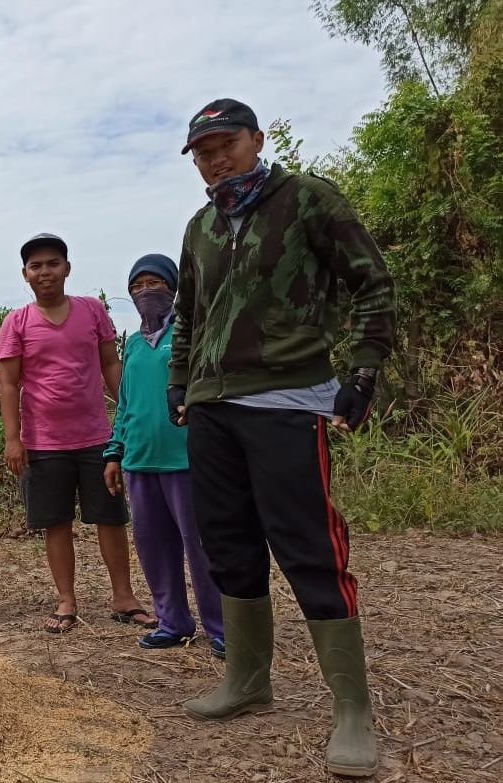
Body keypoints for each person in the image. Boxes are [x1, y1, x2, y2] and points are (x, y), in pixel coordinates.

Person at [170, 98, 395, 778]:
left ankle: (352, 710)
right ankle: (247, 679)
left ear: (256, 139)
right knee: (228, 545)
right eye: (203, 151)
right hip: (212, 407)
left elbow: (372, 282)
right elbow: (189, 316)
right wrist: (180, 382)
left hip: (288, 400)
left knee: (309, 545)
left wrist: (362, 369)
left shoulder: (307, 200)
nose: (215, 158)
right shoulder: (199, 226)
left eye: (225, 143)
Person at [0, 233, 154, 634]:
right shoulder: (17, 322)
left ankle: (124, 597)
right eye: (36, 266)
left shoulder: (91, 310)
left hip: (98, 437)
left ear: (67, 268)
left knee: (111, 518)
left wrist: (131, 415)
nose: (44, 272)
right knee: (56, 522)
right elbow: (10, 384)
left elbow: (110, 365)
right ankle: (67, 600)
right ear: (25, 275)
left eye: (52, 263)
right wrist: (13, 439)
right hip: (43, 441)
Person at [102, 254, 224, 657]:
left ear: (173, 288)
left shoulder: (192, 336)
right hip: (140, 460)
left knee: (201, 547)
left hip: (186, 459)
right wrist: (115, 451)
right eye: (137, 286)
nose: (144, 292)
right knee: (153, 546)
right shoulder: (134, 343)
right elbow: (125, 403)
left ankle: (221, 627)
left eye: (154, 283)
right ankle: (172, 622)